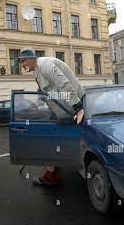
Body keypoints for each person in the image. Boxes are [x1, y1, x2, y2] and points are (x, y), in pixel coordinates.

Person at [18, 49, 85, 186]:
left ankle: (51, 175)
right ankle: (54, 166)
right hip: (63, 108)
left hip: (71, 107)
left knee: (47, 139)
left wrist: (78, 108)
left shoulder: (45, 65)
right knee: (50, 136)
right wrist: (40, 104)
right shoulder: (38, 71)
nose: (22, 65)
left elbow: (64, 84)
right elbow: (51, 93)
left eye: (23, 61)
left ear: (32, 58)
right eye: (20, 62)